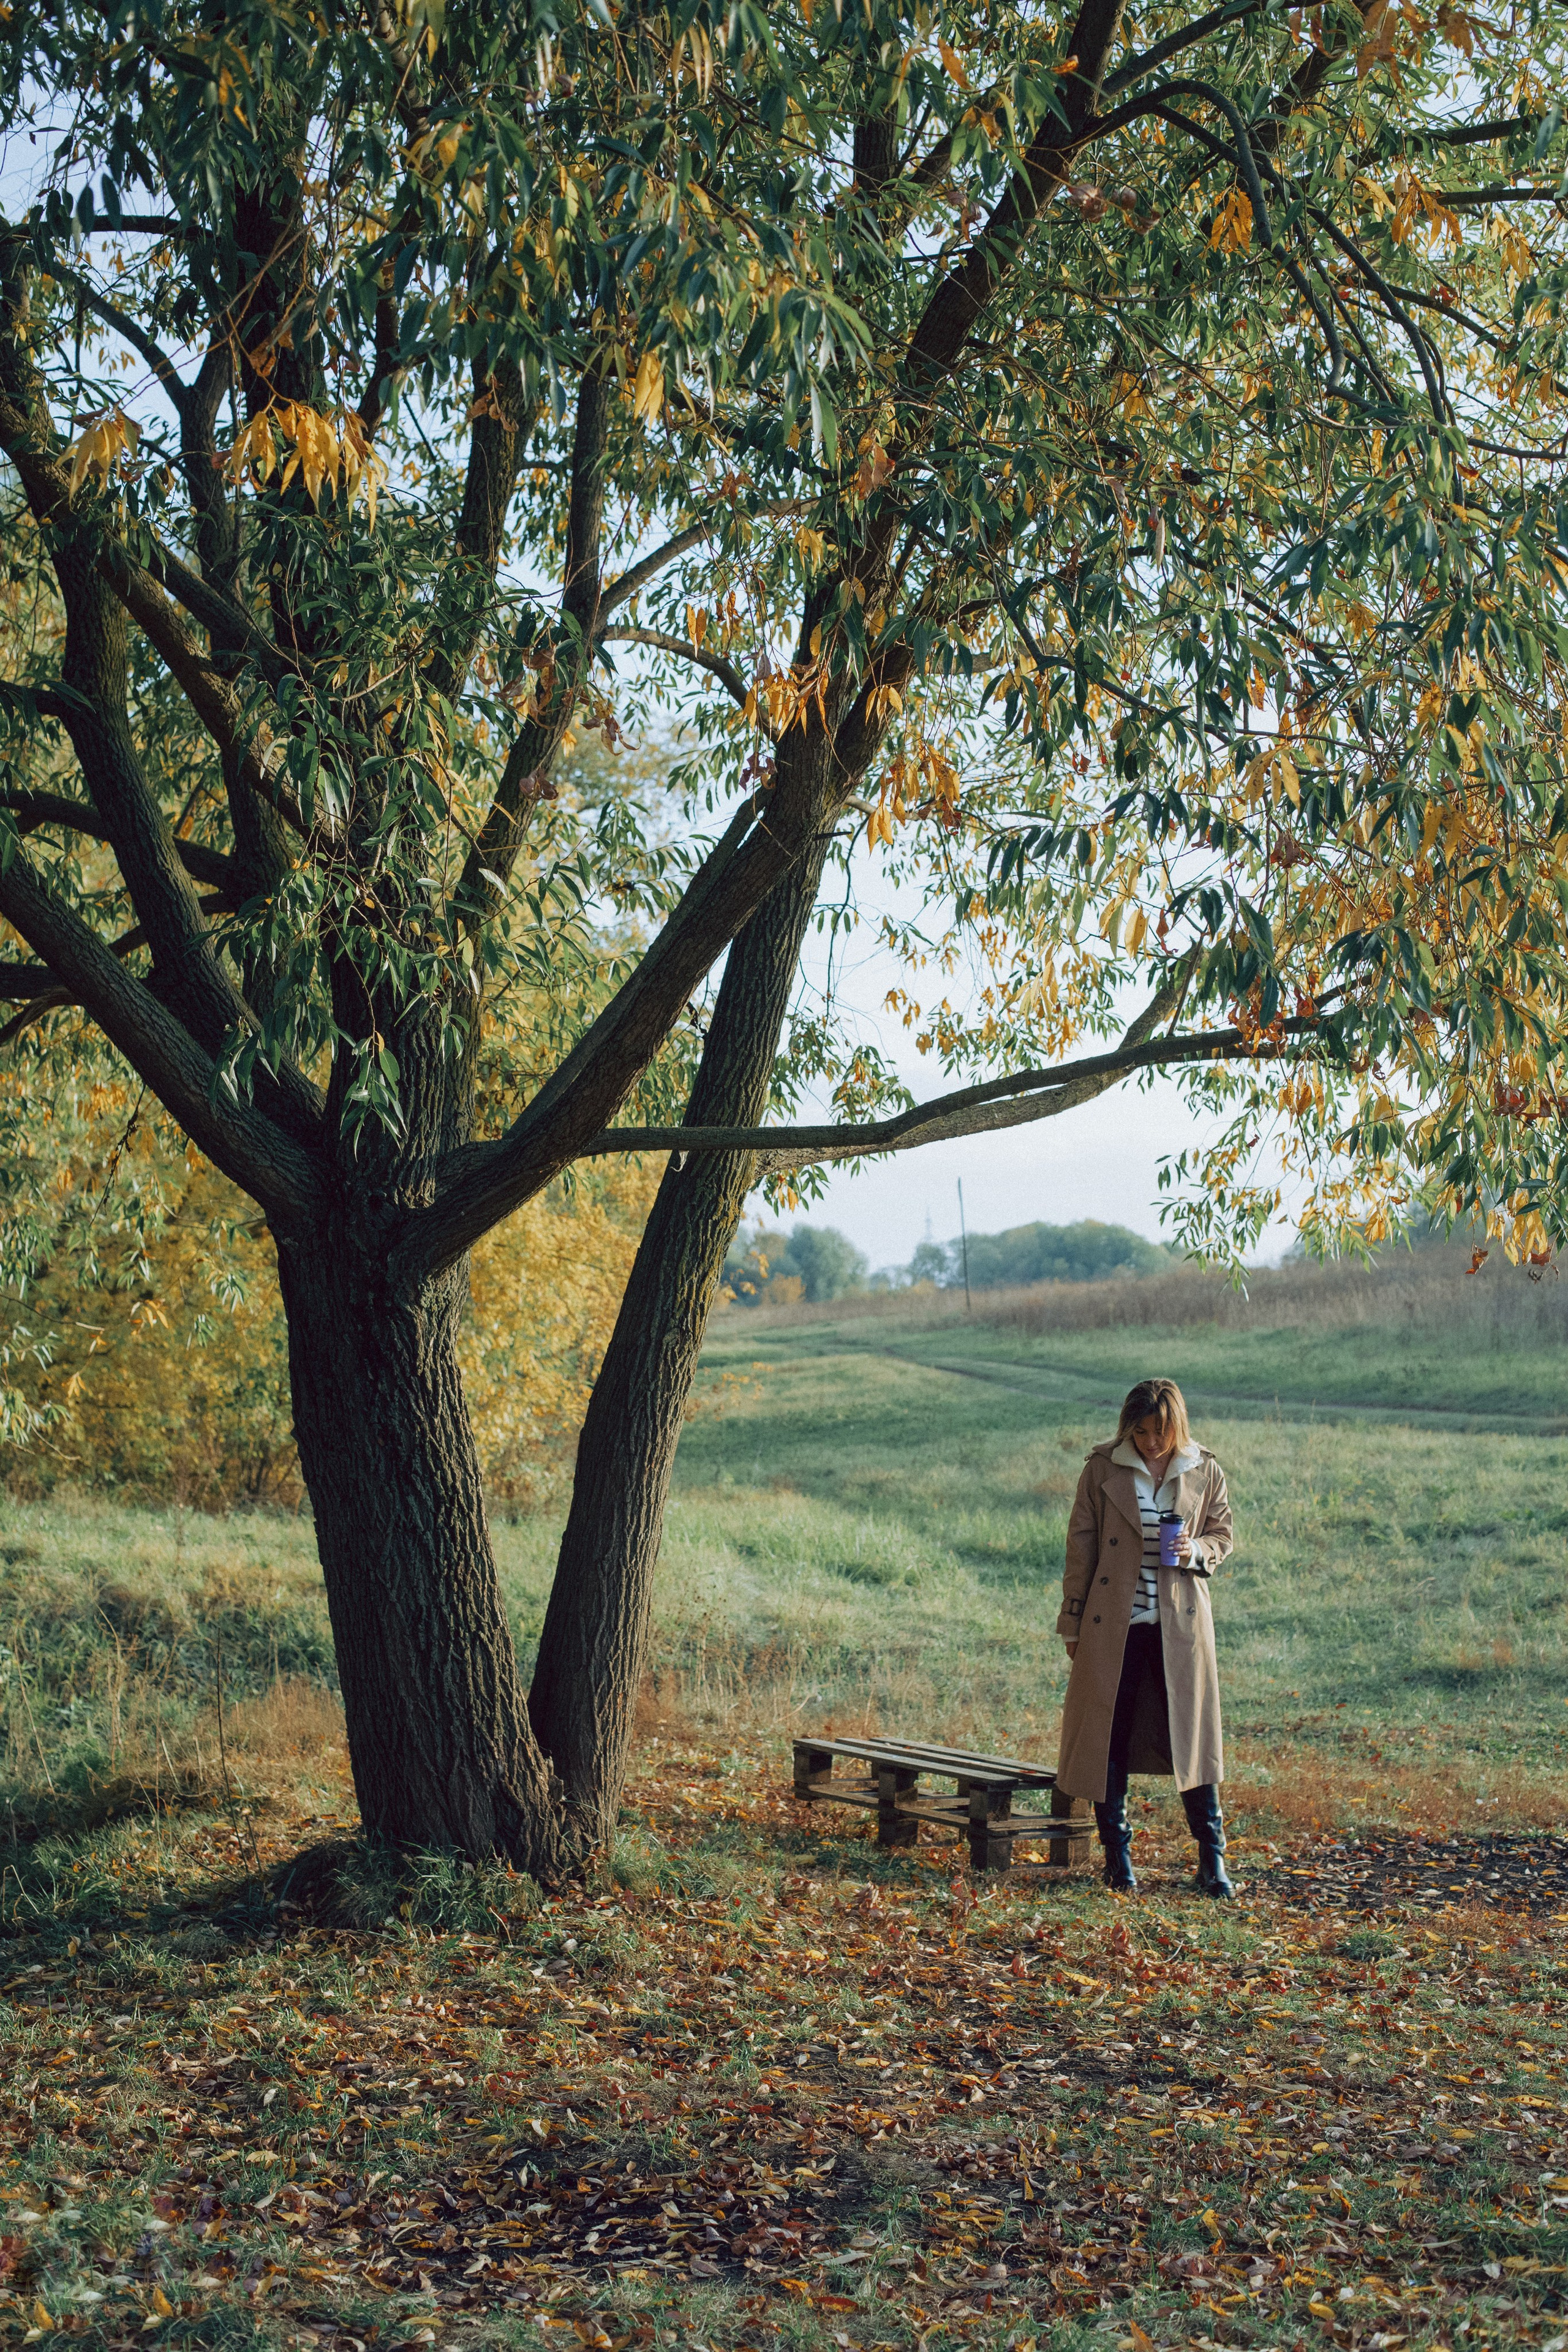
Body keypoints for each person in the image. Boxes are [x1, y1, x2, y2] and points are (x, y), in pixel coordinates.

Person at [1055, 1378, 1235, 1896]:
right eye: (1141, 1432)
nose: (1152, 1442)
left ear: (1177, 1426)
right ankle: (1118, 1862)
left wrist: (1195, 1551)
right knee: (1105, 1739)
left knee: (1193, 1740)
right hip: (1114, 1627)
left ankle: (1213, 1861)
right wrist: (1072, 1623)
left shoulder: (1204, 1468)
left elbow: (1222, 1534)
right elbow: (1081, 1549)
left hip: (1180, 1627)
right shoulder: (1102, 1468)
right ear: (1127, 1428)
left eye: (1161, 1431)